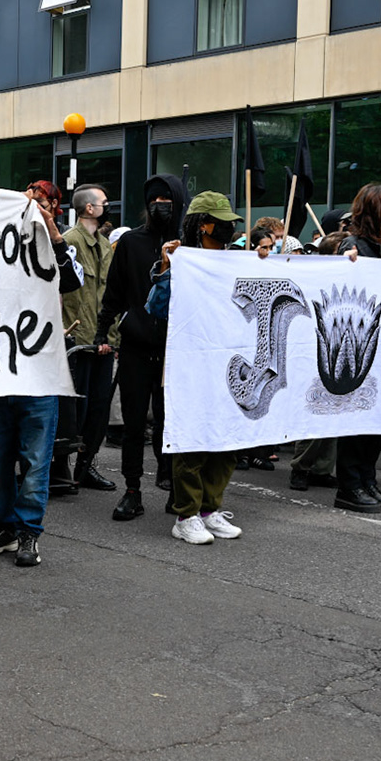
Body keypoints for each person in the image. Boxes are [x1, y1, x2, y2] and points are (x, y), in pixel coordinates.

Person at [0, 186, 85, 567]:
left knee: (36, 462)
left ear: (53, 208)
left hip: (38, 376)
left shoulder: (59, 249)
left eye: (39, 200)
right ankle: (3, 526)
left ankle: (28, 533)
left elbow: (70, 282)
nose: (29, 205)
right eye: (24, 197)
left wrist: (53, 235)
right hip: (0, 373)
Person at [149, 193, 247, 544]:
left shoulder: (239, 261)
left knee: (226, 439)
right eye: (222, 221)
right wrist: (166, 269)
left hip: (231, 363)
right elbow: (157, 309)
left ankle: (210, 509)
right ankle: (186, 515)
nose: (230, 227)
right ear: (204, 224)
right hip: (191, 364)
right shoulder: (182, 260)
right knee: (191, 439)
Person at [95, 173, 186, 521]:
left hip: (175, 351)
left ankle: (173, 482)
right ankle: (132, 489)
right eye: (154, 201)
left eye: (167, 200)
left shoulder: (189, 246)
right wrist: (103, 331)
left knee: (170, 422)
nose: (160, 206)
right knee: (134, 423)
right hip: (136, 345)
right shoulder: (131, 243)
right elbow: (114, 290)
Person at [331, 184, 381, 514]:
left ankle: (367, 478)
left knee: (376, 418)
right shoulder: (353, 245)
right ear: (376, 210)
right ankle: (349, 484)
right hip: (357, 344)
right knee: (356, 417)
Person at [61, 185, 118, 492]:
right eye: (103, 203)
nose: (107, 206)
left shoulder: (105, 245)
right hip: (79, 339)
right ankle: (64, 468)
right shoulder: (70, 241)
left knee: (98, 409)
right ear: (88, 209)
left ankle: (86, 467)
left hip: (104, 338)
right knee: (75, 409)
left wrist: (111, 333)